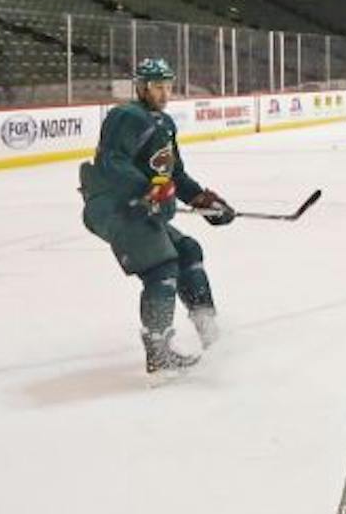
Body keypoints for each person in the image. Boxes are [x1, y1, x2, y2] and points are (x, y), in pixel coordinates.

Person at [78, 58, 234, 374]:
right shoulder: (126, 117)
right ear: (141, 87)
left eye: (168, 86)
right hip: (115, 207)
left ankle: (208, 328)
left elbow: (173, 174)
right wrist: (149, 187)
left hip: (141, 207)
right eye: (157, 86)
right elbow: (111, 163)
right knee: (161, 267)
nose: (164, 93)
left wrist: (202, 199)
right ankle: (158, 353)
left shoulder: (164, 124)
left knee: (187, 250)